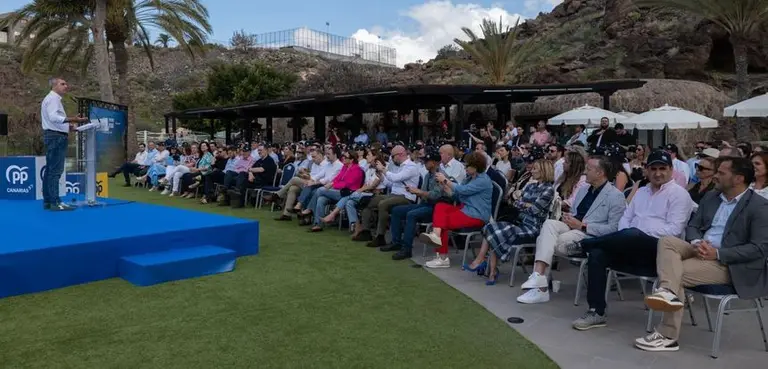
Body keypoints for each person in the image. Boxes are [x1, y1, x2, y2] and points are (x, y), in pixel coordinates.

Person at [636, 157, 768, 352]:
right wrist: (697, 242)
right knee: (666, 241)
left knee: (675, 275)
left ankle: (667, 336)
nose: (715, 176)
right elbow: (693, 225)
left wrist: (718, 253)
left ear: (739, 178)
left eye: (722, 173)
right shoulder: (712, 197)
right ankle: (668, 293)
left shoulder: (759, 207)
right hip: (701, 249)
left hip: (730, 264)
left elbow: (759, 248)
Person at [570, 150, 693, 331]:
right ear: (646, 170)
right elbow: (625, 219)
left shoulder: (679, 195)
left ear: (671, 169)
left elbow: (674, 230)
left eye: (662, 168)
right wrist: (631, 232)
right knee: (597, 254)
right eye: (653, 168)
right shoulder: (642, 192)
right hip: (629, 245)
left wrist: (639, 231)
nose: (658, 173)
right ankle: (596, 311)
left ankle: (585, 244)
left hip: (658, 251)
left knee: (633, 233)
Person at [517, 156, 626, 304]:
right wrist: (568, 218)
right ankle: (538, 277)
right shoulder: (583, 190)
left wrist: (582, 225)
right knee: (549, 224)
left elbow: (614, 229)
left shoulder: (615, 196)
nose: (584, 172)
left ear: (600, 173)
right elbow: (575, 213)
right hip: (571, 228)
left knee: (545, 240)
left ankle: (540, 289)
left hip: (589, 234)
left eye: (588, 169)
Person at [461, 159, 556, 284]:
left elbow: (535, 210)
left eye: (535, 168)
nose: (532, 170)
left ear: (544, 170)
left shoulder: (548, 189)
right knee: (491, 227)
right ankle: (487, 267)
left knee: (495, 232)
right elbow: (515, 203)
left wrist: (523, 204)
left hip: (533, 228)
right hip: (520, 222)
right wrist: (525, 205)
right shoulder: (531, 186)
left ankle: (485, 266)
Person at [419, 151, 493, 269]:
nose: (464, 167)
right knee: (440, 206)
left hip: (477, 215)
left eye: (467, 165)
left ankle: (442, 257)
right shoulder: (469, 178)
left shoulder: (483, 180)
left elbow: (463, 190)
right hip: (466, 209)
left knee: (442, 222)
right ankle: (437, 237)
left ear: (475, 166)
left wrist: (445, 181)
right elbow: (459, 196)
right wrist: (448, 190)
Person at [41, 77, 89, 211]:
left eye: (66, 83)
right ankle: (56, 202)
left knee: (50, 170)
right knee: (55, 171)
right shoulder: (53, 99)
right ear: (54, 86)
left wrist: (69, 126)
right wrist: (73, 119)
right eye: (62, 84)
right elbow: (54, 118)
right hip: (56, 137)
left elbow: (53, 121)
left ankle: (48, 201)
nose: (66, 86)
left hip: (53, 135)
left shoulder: (51, 99)